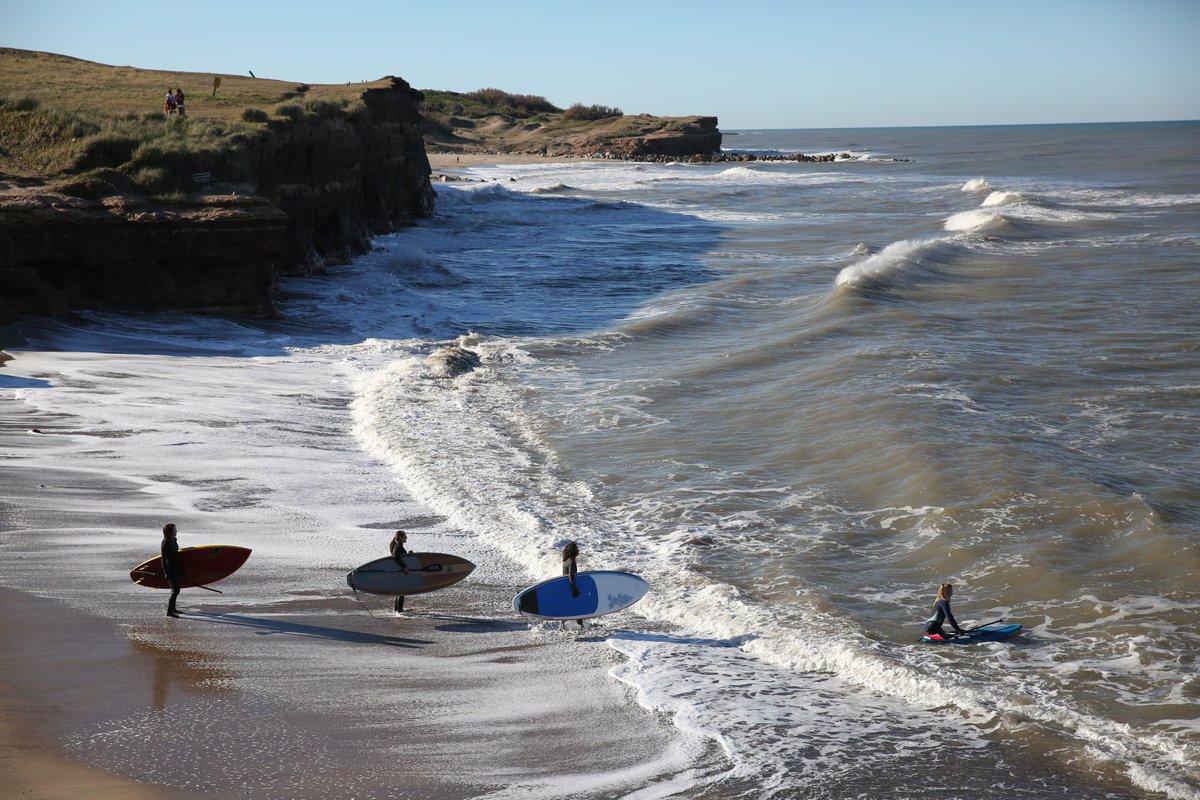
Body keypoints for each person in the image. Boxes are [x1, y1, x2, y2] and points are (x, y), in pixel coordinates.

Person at [162, 523, 183, 617]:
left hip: (176, 566)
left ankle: (173, 608)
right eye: (175, 530)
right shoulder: (165, 543)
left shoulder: (173, 540)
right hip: (170, 568)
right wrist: (166, 572)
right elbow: (163, 559)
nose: (176, 531)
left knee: (175, 589)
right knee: (176, 590)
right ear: (171, 532)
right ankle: (169, 612)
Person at [562, 541, 583, 627]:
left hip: (565, 587)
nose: (579, 550)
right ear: (573, 551)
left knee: (569, 606)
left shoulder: (566, 561)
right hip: (570, 586)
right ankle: (581, 626)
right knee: (578, 605)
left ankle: (562, 625)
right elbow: (571, 577)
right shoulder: (571, 561)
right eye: (577, 548)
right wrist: (575, 588)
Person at [389, 530, 411, 613]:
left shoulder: (398, 545)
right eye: (405, 536)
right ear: (401, 537)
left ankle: (397, 609)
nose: (406, 538)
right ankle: (399, 611)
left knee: (400, 590)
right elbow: (396, 558)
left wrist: (409, 555)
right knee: (402, 590)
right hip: (400, 571)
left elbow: (401, 557)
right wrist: (404, 567)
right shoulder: (398, 546)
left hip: (399, 571)